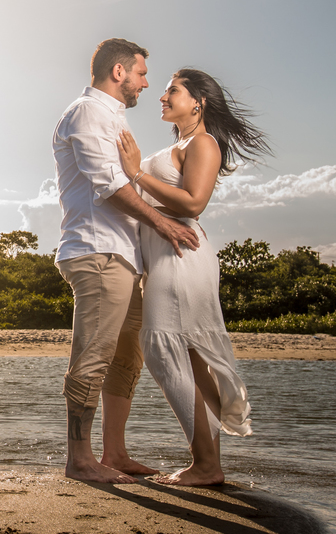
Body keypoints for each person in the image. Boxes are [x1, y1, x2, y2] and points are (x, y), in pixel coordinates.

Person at [53, 38, 201, 484]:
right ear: (118, 73)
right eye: (140, 73)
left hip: (123, 256)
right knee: (94, 354)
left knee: (125, 357)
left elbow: (126, 183)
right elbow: (108, 188)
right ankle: (80, 459)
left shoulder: (110, 117)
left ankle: (114, 453)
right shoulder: (88, 113)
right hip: (97, 252)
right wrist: (165, 225)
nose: (146, 82)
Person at [117, 67, 271, 486]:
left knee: (166, 352)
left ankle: (205, 463)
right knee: (189, 361)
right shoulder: (182, 143)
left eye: (172, 91)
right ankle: (208, 464)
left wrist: (136, 172)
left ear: (198, 101)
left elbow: (193, 204)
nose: (162, 97)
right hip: (166, 259)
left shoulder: (203, 143)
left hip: (183, 257)